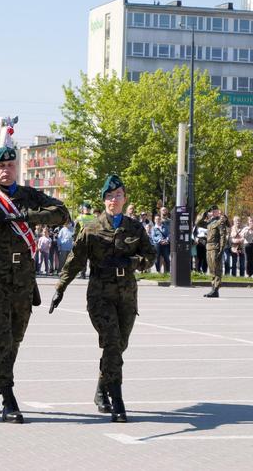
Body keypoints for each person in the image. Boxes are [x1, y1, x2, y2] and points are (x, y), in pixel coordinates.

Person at [0, 144, 68, 424]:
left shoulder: (28, 196)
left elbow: (62, 212)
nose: (6, 170)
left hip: (23, 279)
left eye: (11, 166)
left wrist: (29, 216)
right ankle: (9, 397)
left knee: (15, 338)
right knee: (1, 337)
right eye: (1, 166)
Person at [50, 175, 156, 423]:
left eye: (118, 195)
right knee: (111, 343)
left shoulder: (135, 227)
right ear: (104, 200)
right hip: (100, 296)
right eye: (109, 196)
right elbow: (75, 261)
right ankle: (117, 398)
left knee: (119, 346)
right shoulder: (91, 228)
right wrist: (60, 288)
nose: (113, 200)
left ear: (124, 198)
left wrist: (133, 261)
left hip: (127, 296)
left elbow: (150, 255)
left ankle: (101, 387)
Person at [204, 205, 228, 297]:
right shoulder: (210, 223)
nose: (212, 213)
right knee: (211, 269)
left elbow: (222, 237)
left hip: (215, 248)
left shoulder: (220, 222)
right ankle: (213, 287)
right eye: (211, 211)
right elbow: (199, 222)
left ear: (217, 212)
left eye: (214, 211)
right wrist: (205, 214)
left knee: (217, 269)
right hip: (208, 247)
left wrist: (221, 250)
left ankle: (216, 289)